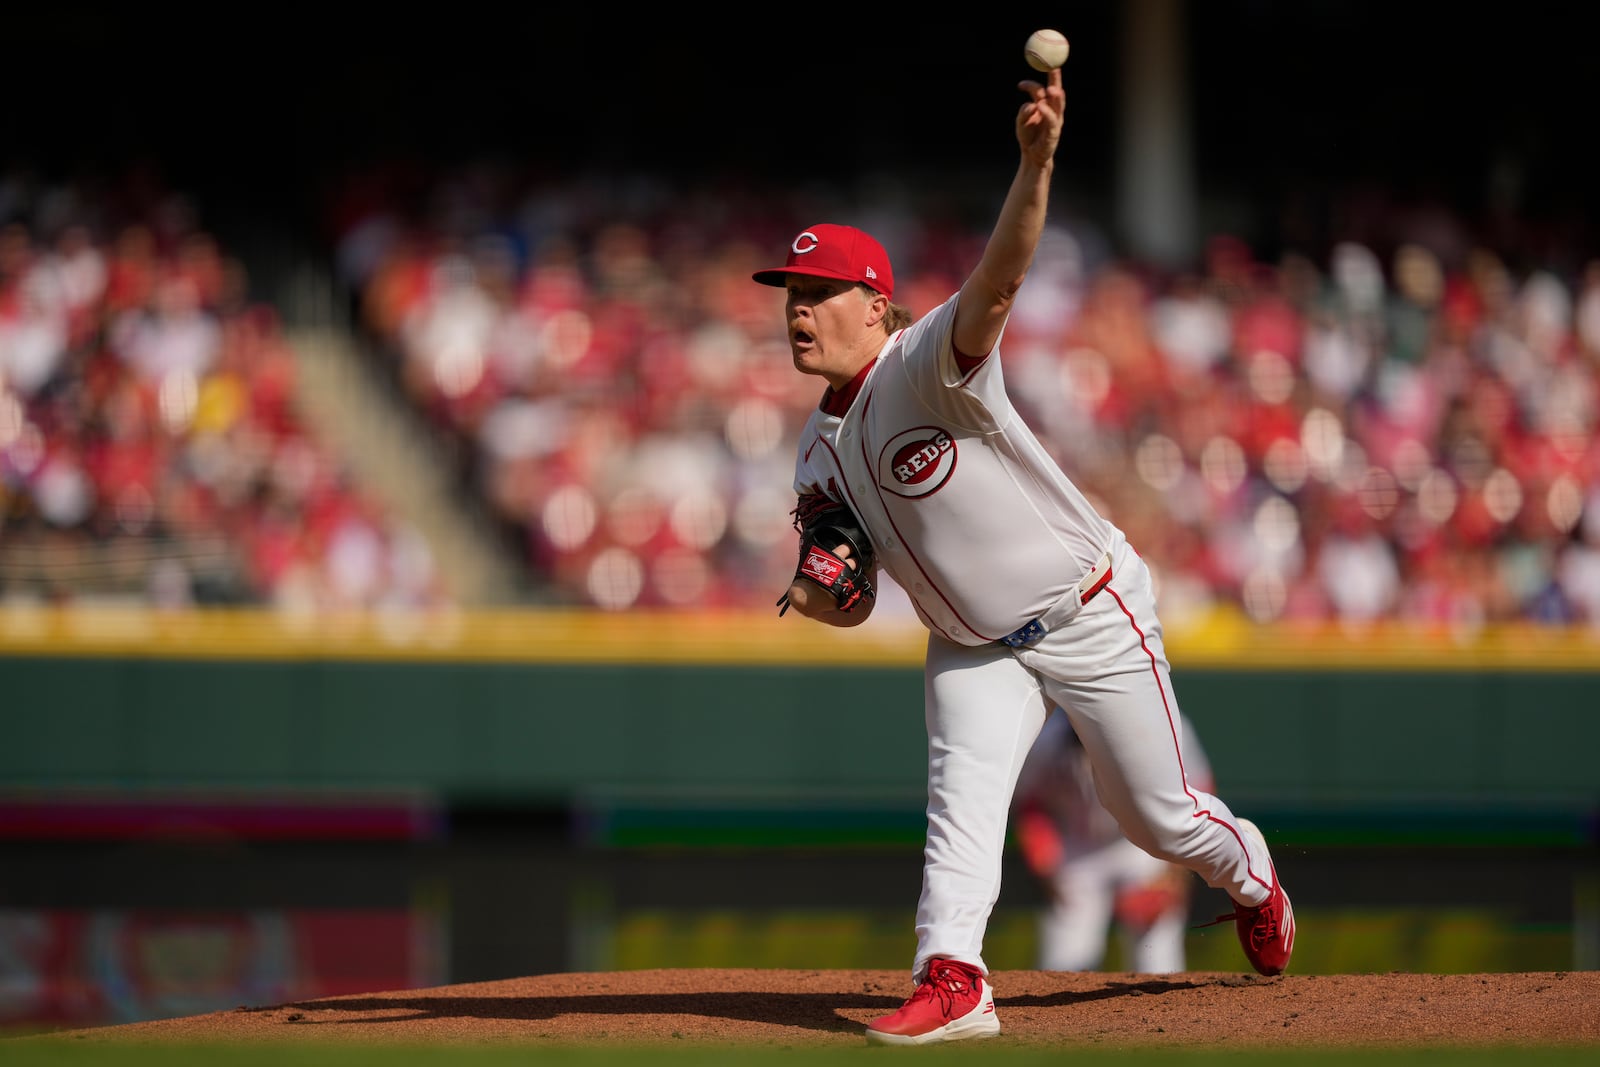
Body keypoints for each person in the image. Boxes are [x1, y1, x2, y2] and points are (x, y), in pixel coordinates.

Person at [752, 60, 1294, 1046]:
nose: (797, 306)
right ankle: (953, 977)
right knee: (959, 800)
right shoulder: (813, 448)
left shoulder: (923, 364)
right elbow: (847, 599)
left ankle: (1251, 872)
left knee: (1157, 820)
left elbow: (998, 278)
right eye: (790, 289)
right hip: (974, 644)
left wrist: (1035, 164)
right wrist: (819, 587)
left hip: (1087, 606)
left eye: (820, 290)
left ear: (875, 305)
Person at [1012, 708, 1213, 974]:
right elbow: (1028, 802)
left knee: (1158, 956)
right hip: (1076, 848)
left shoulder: (1164, 724)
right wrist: (1046, 861)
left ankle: (1165, 1013)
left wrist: (1174, 870)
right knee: (1063, 964)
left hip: (1143, 845)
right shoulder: (1047, 736)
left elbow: (1198, 794)